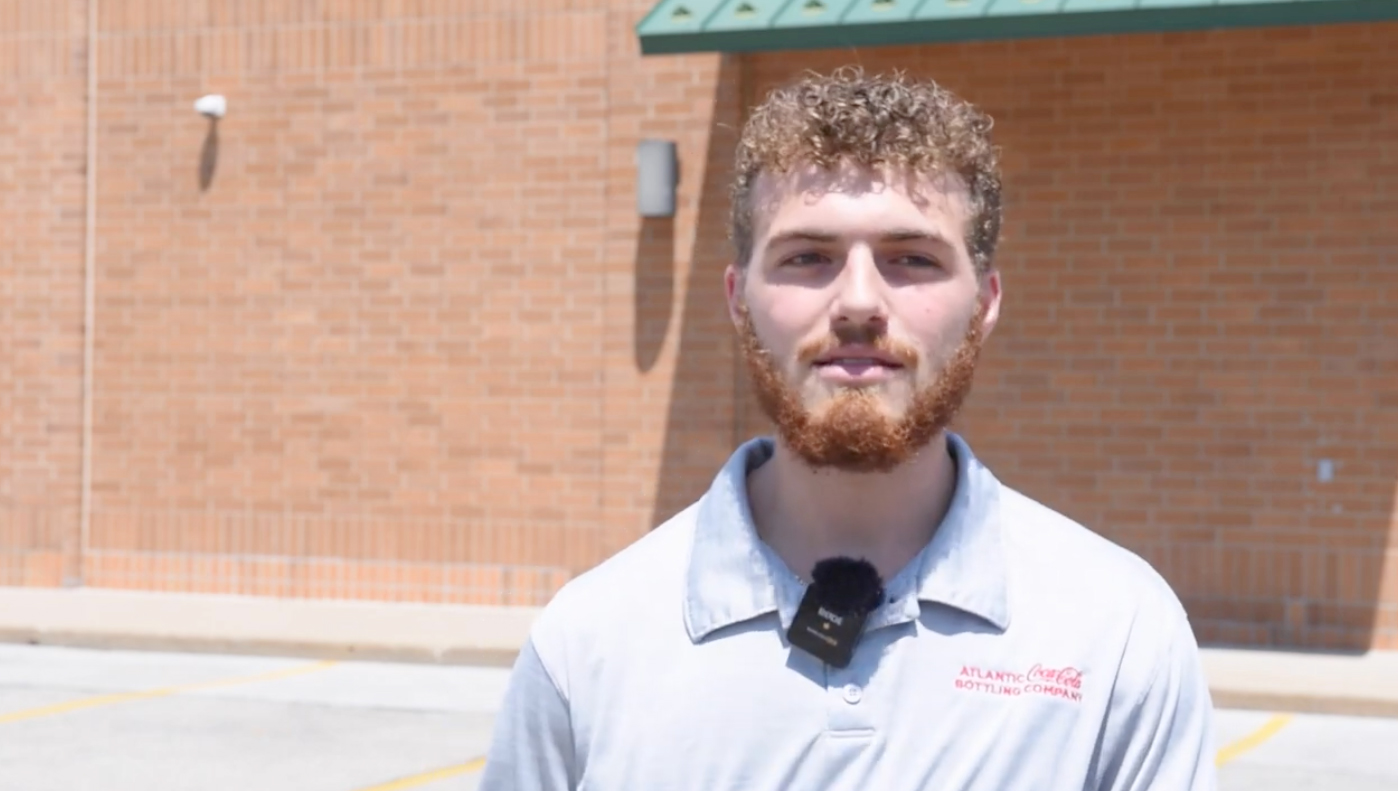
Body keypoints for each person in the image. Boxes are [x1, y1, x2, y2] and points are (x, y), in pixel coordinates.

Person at [478, 67, 1218, 790]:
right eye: (808, 257)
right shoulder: (587, 646)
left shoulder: (1117, 633)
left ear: (985, 301)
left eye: (911, 258)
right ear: (738, 299)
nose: (858, 301)